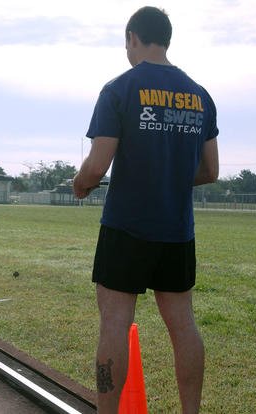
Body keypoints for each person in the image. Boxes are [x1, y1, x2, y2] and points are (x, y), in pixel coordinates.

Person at [73, 6, 219, 414]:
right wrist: (169, 175)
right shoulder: (200, 95)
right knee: (184, 326)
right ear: (167, 39)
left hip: (126, 228)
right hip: (177, 231)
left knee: (114, 325)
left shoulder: (119, 89)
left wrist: (80, 184)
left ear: (132, 38)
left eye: (126, 42)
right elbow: (211, 171)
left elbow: (98, 164)